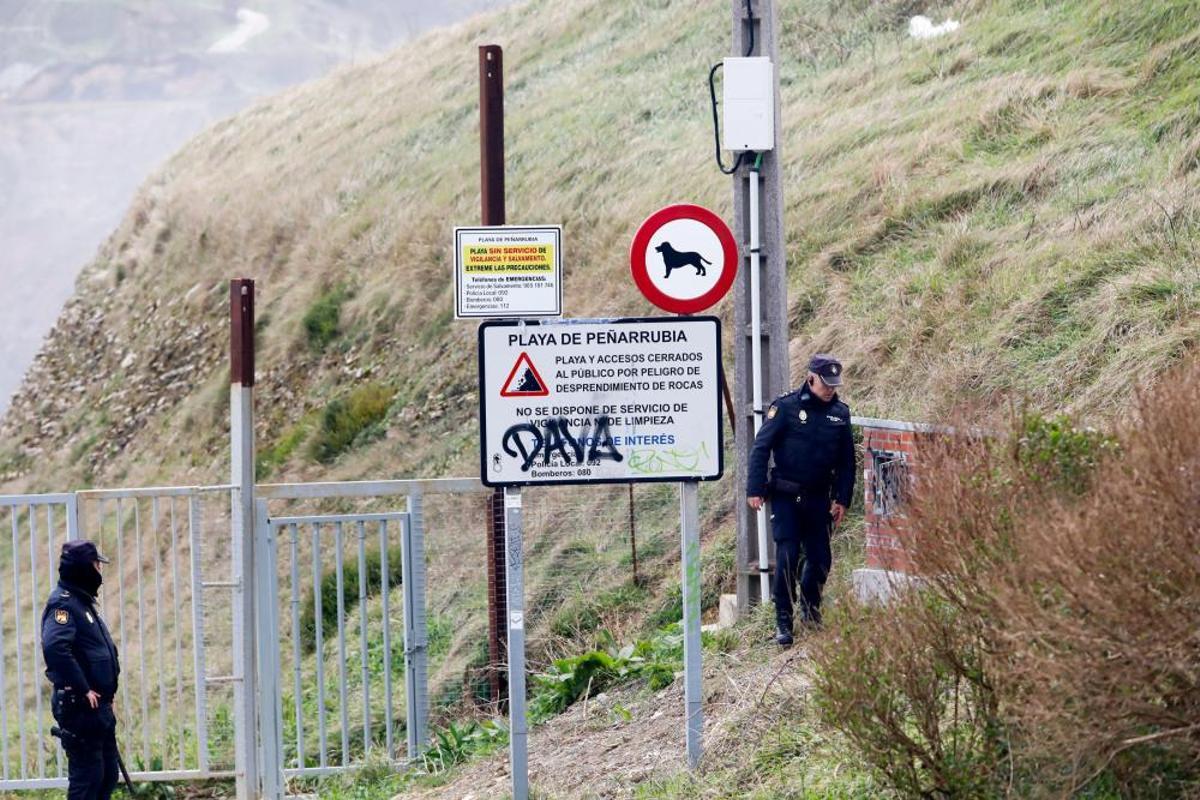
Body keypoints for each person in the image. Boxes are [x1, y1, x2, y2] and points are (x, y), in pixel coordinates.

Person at [747, 354, 856, 646]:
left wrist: (842, 499)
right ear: (811, 379)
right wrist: (755, 488)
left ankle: (810, 610)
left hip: (819, 497)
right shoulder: (786, 407)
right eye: (826, 383)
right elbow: (761, 448)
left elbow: (847, 462)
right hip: (785, 496)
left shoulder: (840, 414)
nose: (831, 389)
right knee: (787, 557)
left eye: (835, 384)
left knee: (820, 559)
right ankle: (784, 620)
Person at [41, 540, 121, 800]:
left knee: (107, 775)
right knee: (88, 780)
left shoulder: (81, 603)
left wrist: (107, 696)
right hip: (80, 707)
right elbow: (55, 648)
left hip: (98, 709)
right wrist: (83, 688)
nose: (100, 571)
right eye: (97, 565)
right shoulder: (63, 604)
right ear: (85, 568)